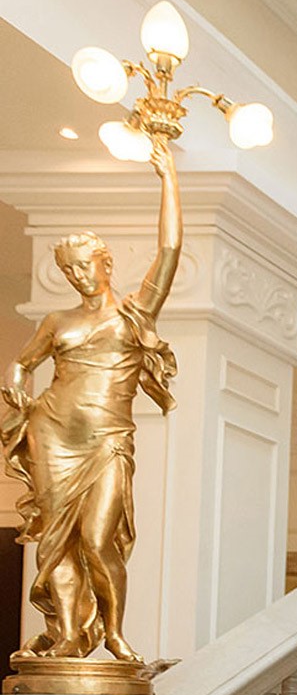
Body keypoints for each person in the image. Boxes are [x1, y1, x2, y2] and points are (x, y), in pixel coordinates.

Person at [2, 137, 180, 663]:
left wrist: (169, 177)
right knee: (54, 542)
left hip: (106, 440)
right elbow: (23, 361)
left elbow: (169, 251)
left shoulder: (134, 313)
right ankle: (66, 636)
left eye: (86, 265)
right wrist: (16, 381)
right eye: (70, 270)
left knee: (100, 540)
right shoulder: (57, 322)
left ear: (106, 264)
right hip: (52, 433)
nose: (79, 276)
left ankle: (114, 632)